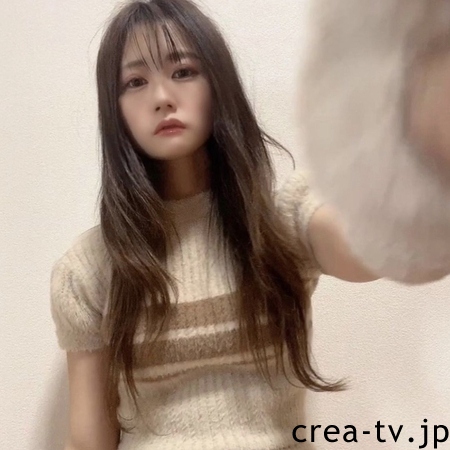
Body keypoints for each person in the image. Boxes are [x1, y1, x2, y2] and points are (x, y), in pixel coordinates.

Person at [50, 1, 410, 449]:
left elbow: (376, 250)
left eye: (183, 71)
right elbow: (89, 440)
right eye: (135, 82)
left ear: (217, 83)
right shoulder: (88, 270)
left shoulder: (281, 222)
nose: (161, 97)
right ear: (114, 108)